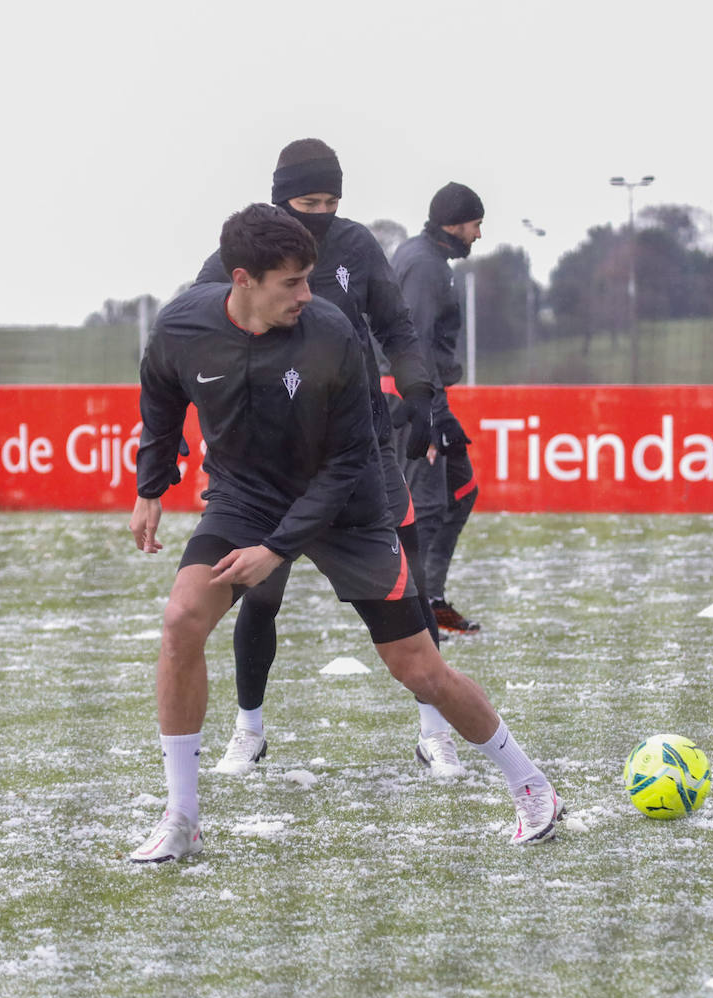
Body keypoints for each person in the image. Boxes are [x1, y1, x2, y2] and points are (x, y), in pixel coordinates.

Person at [127, 203, 564, 864]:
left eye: (310, 279)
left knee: (418, 667)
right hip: (245, 496)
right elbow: (160, 396)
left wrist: (276, 549)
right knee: (182, 619)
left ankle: (531, 786)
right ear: (242, 280)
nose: (309, 294)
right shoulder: (183, 325)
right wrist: (151, 485)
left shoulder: (330, 333)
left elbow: (352, 460)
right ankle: (182, 816)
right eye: (292, 283)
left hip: (348, 504)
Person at [193, 139, 465, 780]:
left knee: (409, 587)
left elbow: (397, 329)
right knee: (260, 596)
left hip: (361, 447)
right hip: (271, 461)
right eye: (306, 201)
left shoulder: (357, 246)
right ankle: (248, 731)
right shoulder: (237, 257)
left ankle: (435, 733)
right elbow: (194, 336)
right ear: (279, 196)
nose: (319, 212)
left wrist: (421, 396)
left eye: (330, 202)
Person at [389, 182, 485, 634]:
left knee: (461, 492)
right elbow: (416, 345)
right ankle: (415, 616)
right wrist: (432, 415)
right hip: (414, 403)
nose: (478, 234)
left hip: (425, 397)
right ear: (454, 223)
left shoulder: (431, 260)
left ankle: (433, 598)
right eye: (475, 224)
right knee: (424, 509)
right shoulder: (425, 266)